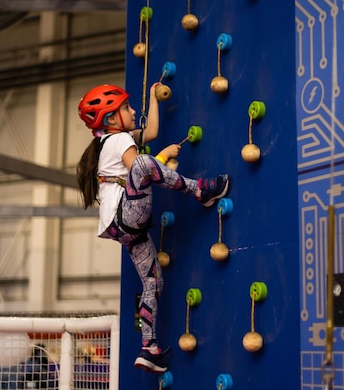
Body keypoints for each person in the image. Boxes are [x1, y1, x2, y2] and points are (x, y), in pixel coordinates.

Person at [76, 83, 229, 373]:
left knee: (153, 283)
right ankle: (200, 191)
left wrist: (155, 98)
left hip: (123, 226)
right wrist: (162, 156)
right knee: (146, 163)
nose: (133, 111)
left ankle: (149, 349)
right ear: (110, 120)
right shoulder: (119, 140)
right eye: (125, 108)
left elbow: (152, 132)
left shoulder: (110, 141)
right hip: (127, 215)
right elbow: (140, 168)